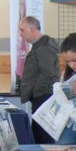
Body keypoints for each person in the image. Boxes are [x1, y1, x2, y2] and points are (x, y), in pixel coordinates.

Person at [18, 15, 60, 144]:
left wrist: (35, 92)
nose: (21, 34)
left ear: (33, 29)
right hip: (40, 97)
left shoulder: (44, 48)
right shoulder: (38, 47)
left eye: (23, 30)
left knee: (42, 136)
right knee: (37, 134)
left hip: (43, 97)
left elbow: (48, 73)